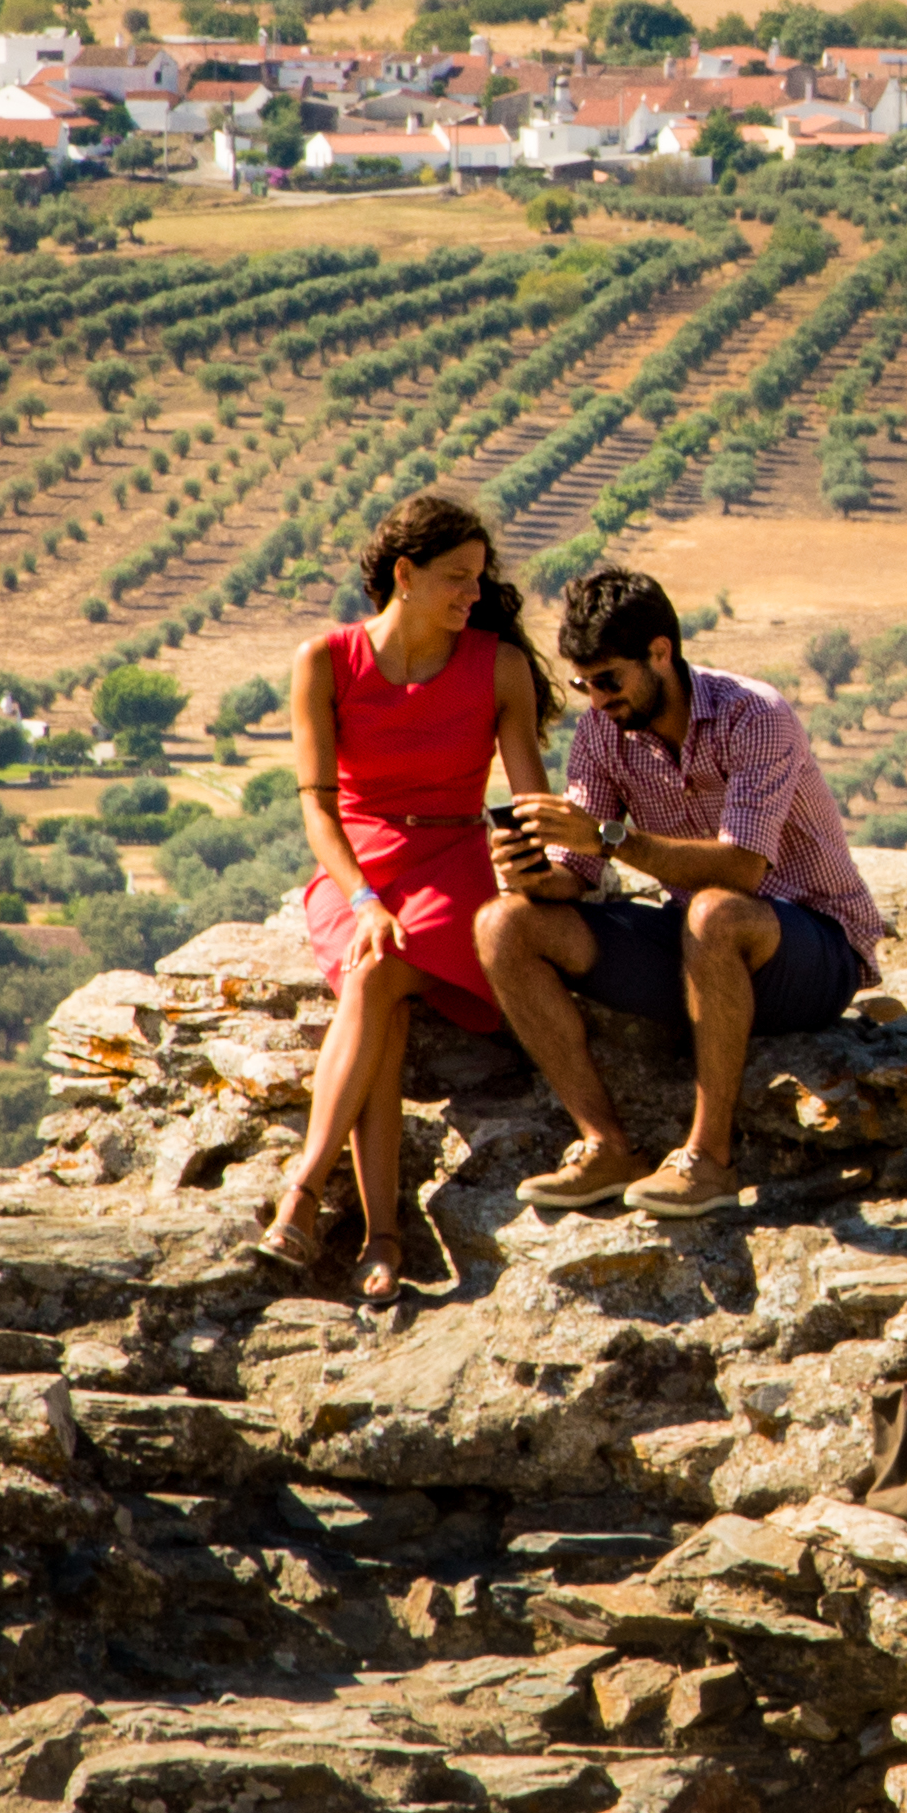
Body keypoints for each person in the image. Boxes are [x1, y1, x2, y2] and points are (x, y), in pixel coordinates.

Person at [477, 564, 882, 1222]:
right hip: (700, 946)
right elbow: (575, 871)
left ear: (660, 653)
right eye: (583, 684)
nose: (596, 698)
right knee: (503, 927)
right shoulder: (603, 734)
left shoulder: (754, 715)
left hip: (812, 949)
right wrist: (533, 874)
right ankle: (605, 1145)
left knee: (717, 910)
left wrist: (611, 838)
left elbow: (743, 870)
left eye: (609, 680)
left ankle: (708, 1161)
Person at [253, 487, 576, 1302]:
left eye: (479, 579)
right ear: (406, 573)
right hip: (356, 865)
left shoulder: (498, 667)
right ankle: (382, 1237)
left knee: (376, 976)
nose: (475, 594)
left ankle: (305, 1193)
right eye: (458, 578)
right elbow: (318, 805)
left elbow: (528, 805)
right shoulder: (324, 661)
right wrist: (361, 898)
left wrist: (545, 872)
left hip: (453, 861)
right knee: (379, 982)